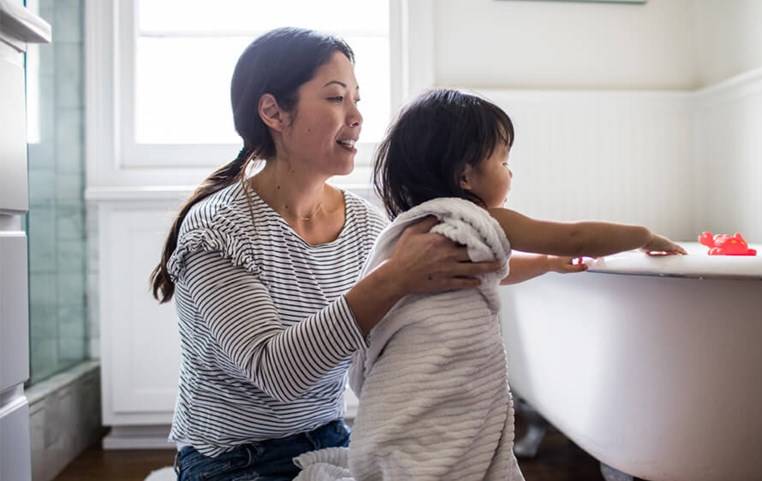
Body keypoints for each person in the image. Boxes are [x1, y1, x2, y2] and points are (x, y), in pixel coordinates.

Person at [148, 28, 513, 481]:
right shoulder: (217, 230)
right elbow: (277, 373)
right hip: (233, 460)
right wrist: (395, 277)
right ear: (273, 112)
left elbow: (433, 287)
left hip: (333, 438)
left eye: (357, 98)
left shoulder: (362, 222)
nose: (357, 116)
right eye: (337, 98)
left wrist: (559, 261)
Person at [291, 89, 685, 481]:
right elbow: (576, 236)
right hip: (439, 389)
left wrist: (546, 263)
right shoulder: (479, 217)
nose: (510, 172)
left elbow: (493, 269)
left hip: (399, 405)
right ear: (465, 175)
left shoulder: (415, 231)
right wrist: (643, 236)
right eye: (504, 160)